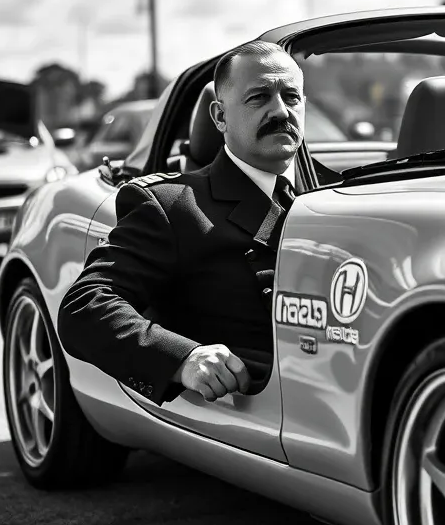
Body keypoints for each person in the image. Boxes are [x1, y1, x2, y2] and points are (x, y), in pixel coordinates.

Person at [57, 40, 306, 406]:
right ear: (219, 117)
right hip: (259, 413)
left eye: (292, 97)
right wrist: (184, 359)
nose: (280, 110)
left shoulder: (345, 196)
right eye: (259, 97)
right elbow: (85, 307)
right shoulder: (175, 205)